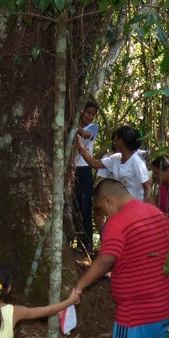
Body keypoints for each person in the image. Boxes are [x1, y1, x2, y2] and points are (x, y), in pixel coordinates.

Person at [72, 179, 169, 338]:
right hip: (164, 311)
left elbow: (106, 258)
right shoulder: (156, 213)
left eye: (101, 209)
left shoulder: (118, 223)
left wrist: (79, 286)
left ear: (107, 200)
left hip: (133, 317)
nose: (104, 215)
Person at [70, 100, 99, 255]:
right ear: (82, 112)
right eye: (88, 112)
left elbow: (87, 135)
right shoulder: (75, 128)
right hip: (72, 171)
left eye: (93, 114)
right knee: (73, 207)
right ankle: (73, 241)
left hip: (85, 171)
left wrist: (75, 126)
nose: (90, 116)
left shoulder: (93, 128)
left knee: (85, 207)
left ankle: (87, 244)